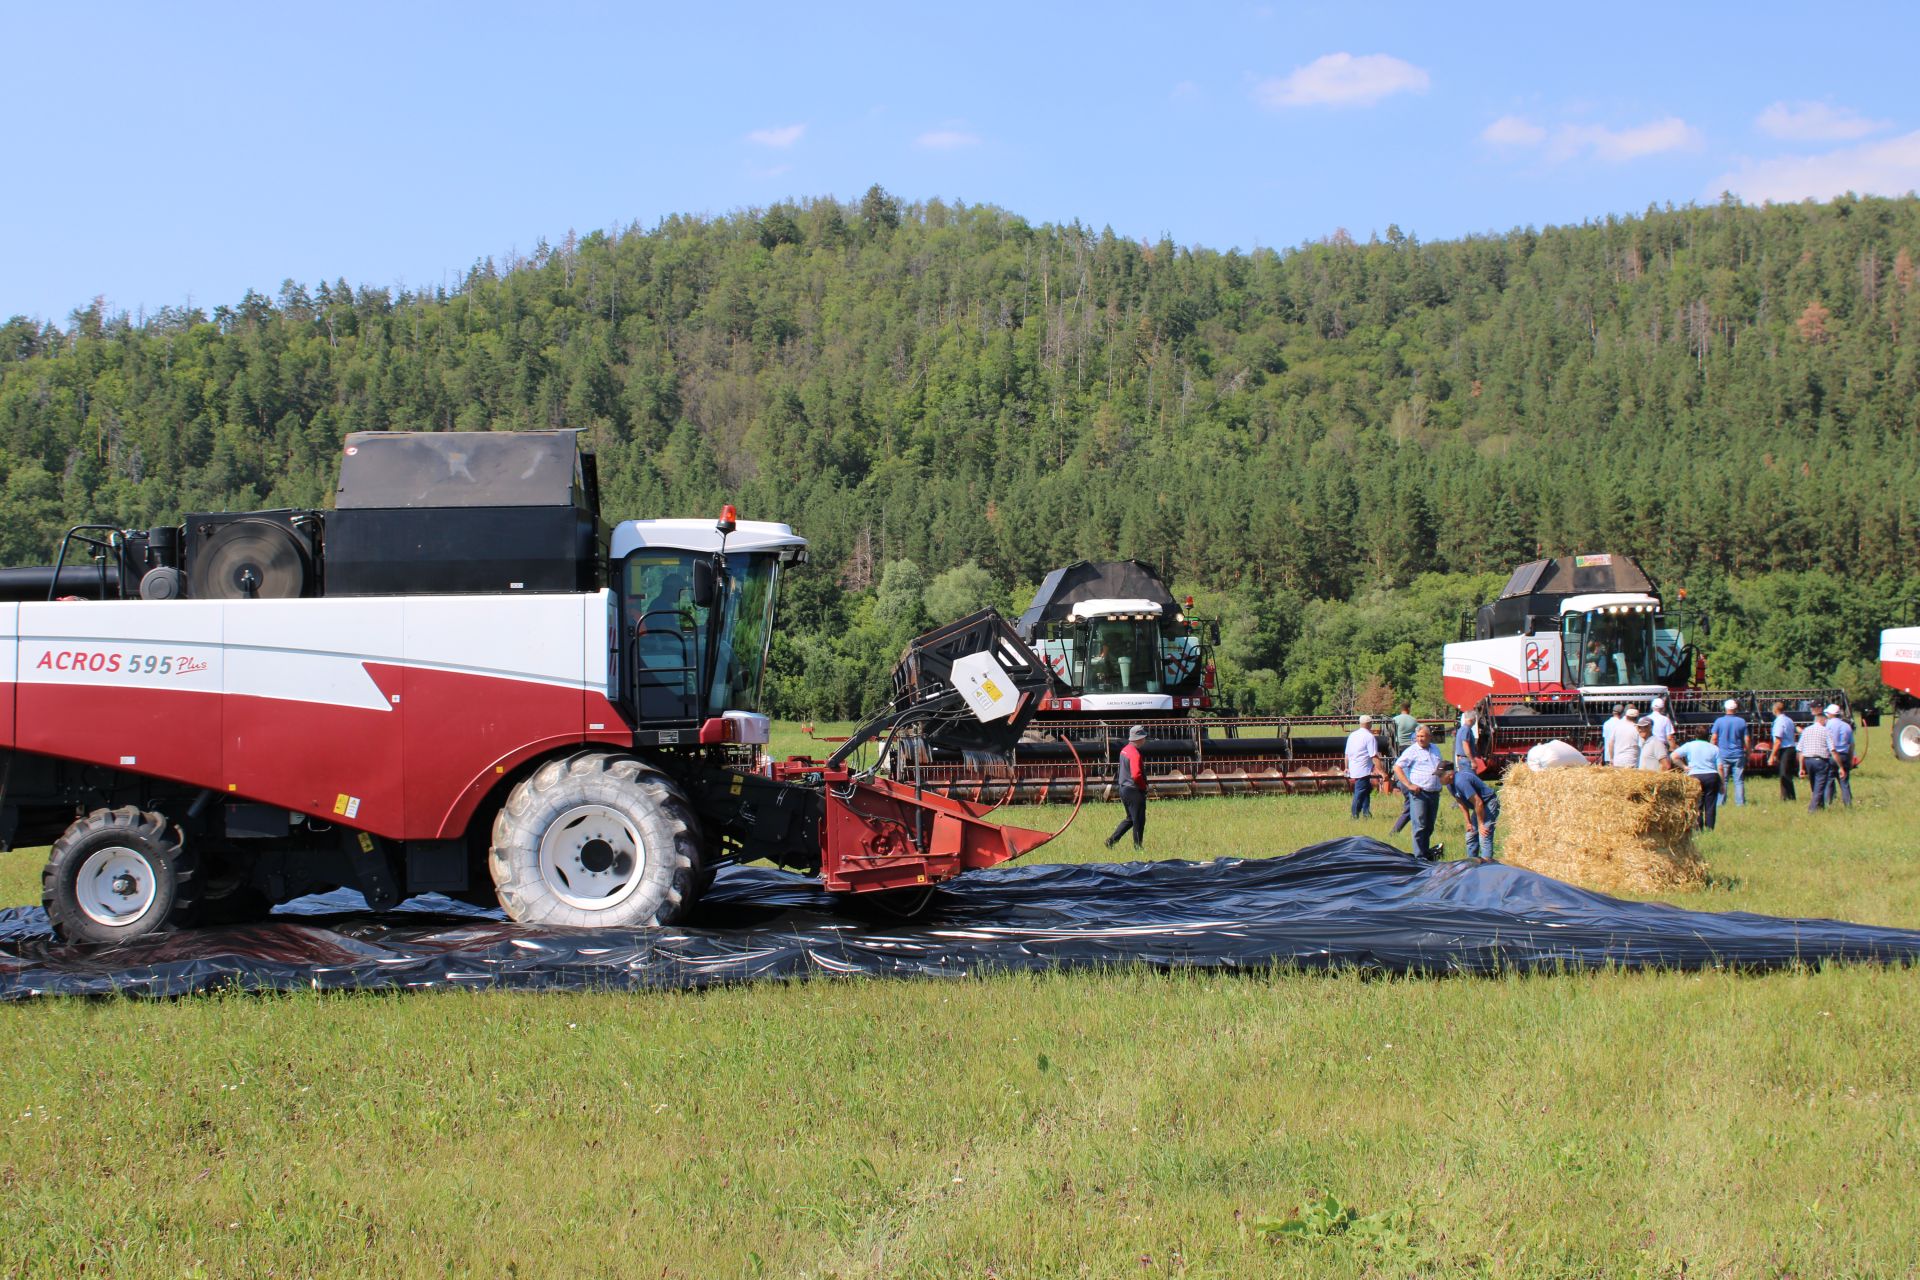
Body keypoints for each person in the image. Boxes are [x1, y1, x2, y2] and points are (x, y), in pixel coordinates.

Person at [1392, 724, 1447, 861]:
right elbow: (1397, 767)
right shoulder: (1412, 751)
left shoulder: (1435, 749)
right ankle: (1420, 857)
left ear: (1429, 737)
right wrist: (1409, 785)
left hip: (1434, 792)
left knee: (1429, 826)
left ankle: (1426, 853)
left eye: (1422, 736)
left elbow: (1439, 767)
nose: (1420, 739)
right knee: (1419, 825)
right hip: (1419, 793)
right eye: (1418, 736)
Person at [1104, 725, 1150, 850]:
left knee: (1130, 819)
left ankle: (1111, 841)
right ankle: (1138, 847)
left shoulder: (1125, 750)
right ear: (1139, 738)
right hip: (1134, 790)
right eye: (1144, 737)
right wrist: (1143, 787)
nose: (1145, 740)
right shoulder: (1135, 754)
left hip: (1123, 788)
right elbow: (1136, 774)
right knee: (1139, 820)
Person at [1671, 725, 1723, 831]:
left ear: (1695, 735)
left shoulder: (1689, 745)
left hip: (1694, 775)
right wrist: (1722, 783)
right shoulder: (1714, 748)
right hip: (1711, 776)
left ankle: (1698, 828)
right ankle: (1710, 828)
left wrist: (1684, 767)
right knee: (1710, 805)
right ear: (1708, 736)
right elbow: (1720, 767)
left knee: (1697, 804)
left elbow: (1674, 756)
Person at [1445, 758, 1500, 858]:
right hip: (1479, 805)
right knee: (1471, 835)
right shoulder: (1449, 785)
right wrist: (1468, 822)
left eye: (1440, 775)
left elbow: (1478, 802)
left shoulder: (1461, 781)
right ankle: (1472, 865)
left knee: (1484, 835)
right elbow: (1460, 802)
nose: (1438, 778)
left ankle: (1486, 867)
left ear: (1450, 775)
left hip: (1488, 802)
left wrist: (1481, 824)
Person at [1345, 714, 1386, 819]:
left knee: (1366, 789)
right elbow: (1374, 756)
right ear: (1369, 724)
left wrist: (1347, 767)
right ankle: (1354, 814)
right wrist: (1382, 772)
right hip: (1362, 769)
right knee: (1360, 792)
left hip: (1354, 767)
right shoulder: (1369, 737)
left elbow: (1347, 754)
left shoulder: (1352, 735)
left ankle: (1366, 813)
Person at [1710, 698, 1749, 807]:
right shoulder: (1741, 721)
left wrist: (1712, 752)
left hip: (1723, 754)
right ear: (1736, 708)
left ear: (1725, 708)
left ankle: (1720, 803)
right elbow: (1747, 739)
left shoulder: (1719, 721)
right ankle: (1740, 803)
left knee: (1723, 780)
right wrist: (1749, 751)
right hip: (1738, 754)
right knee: (1739, 781)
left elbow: (1714, 738)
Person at [1797, 708, 1833, 812]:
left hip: (1808, 761)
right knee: (1819, 786)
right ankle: (1812, 809)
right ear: (1822, 720)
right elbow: (1832, 749)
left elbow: (1800, 750)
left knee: (1814, 785)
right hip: (1821, 761)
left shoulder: (1806, 731)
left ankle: (1820, 807)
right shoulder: (1826, 731)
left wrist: (1801, 767)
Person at [1824, 703, 1855, 807]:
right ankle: (1848, 803)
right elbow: (1851, 745)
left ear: (1831, 714)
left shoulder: (1827, 725)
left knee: (1829, 780)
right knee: (1844, 782)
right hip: (1844, 755)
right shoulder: (1847, 726)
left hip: (1832, 755)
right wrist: (1851, 759)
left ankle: (1828, 803)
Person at [1767, 700, 1798, 802]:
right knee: (1787, 774)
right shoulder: (1789, 720)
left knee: (1784, 774)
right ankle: (1791, 796)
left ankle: (1786, 797)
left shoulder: (1779, 722)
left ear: (1775, 710)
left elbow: (1778, 741)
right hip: (1792, 748)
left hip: (1785, 749)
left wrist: (1772, 755)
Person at [1454, 708, 1486, 778]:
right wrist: (1472, 761)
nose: (1475, 722)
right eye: (1475, 719)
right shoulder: (1466, 730)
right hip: (1466, 761)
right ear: (1472, 719)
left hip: (1463, 760)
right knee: (1470, 780)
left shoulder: (1462, 729)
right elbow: (1465, 746)